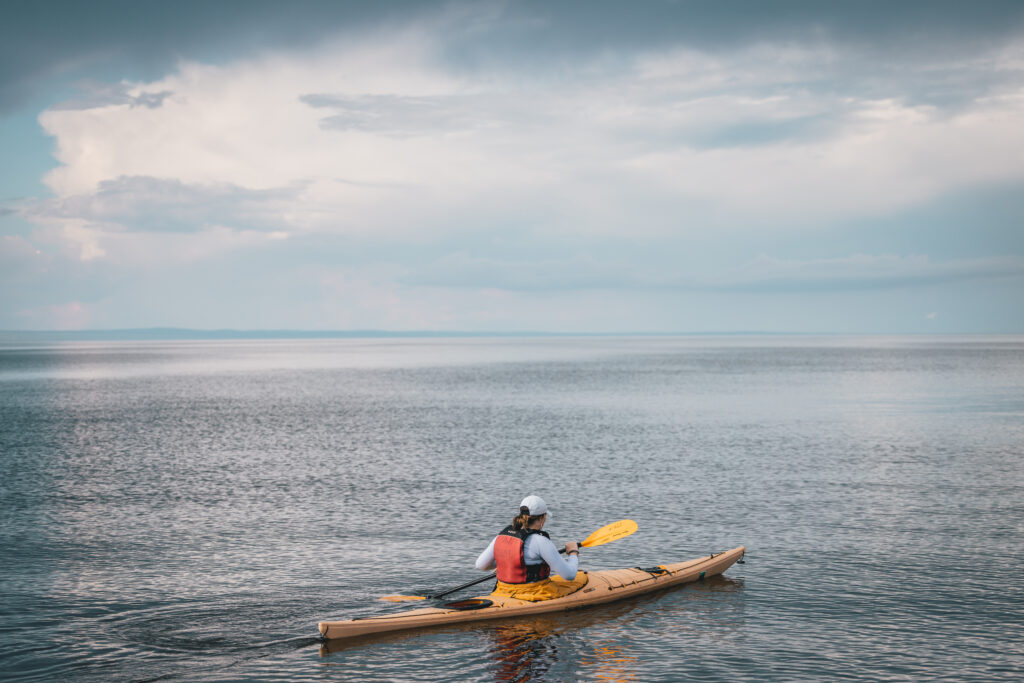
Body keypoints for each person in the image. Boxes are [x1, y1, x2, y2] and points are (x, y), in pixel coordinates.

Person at [475, 495, 588, 601]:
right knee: (582, 578)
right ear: (541, 519)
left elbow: (480, 565)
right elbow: (569, 575)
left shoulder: (501, 536)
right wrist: (573, 553)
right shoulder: (540, 541)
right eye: (545, 517)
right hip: (534, 592)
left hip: (502, 591)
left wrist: (507, 563)